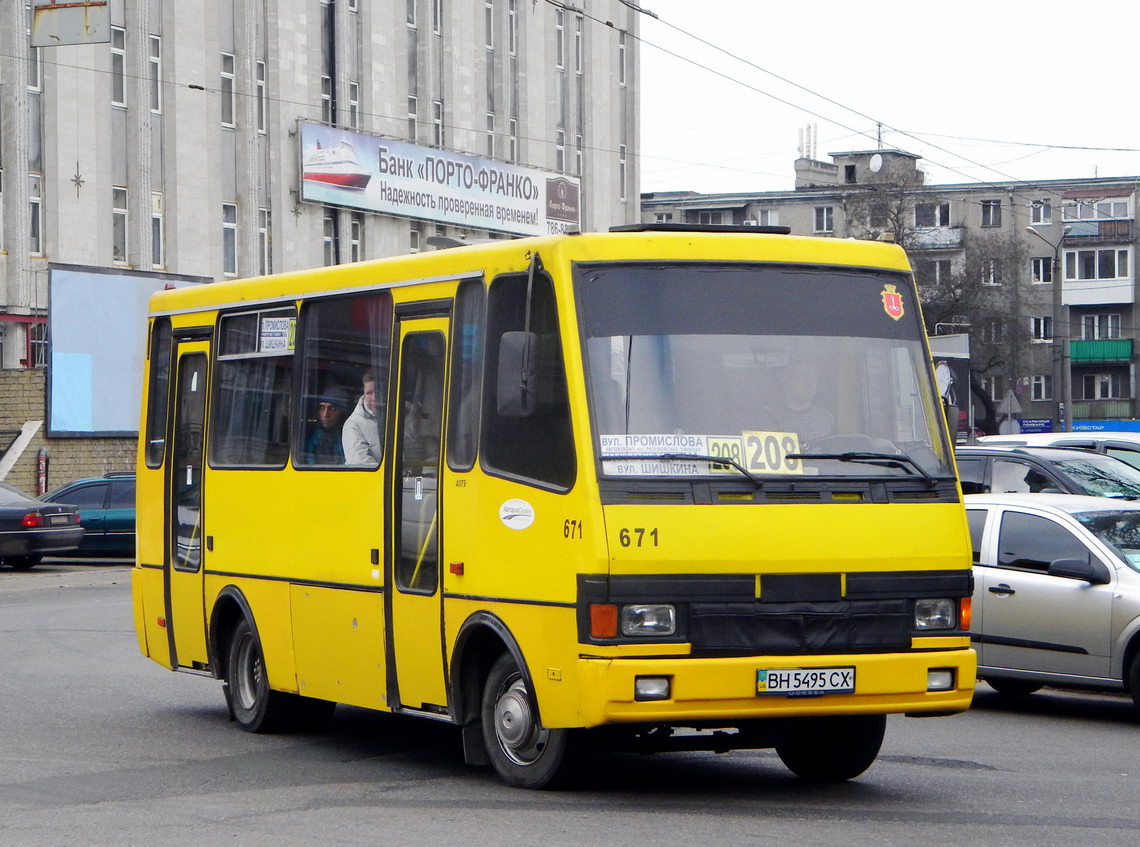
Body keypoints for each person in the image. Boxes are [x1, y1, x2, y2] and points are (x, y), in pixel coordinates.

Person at [770, 360, 835, 447]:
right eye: (804, 378)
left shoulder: (827, 418)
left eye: (814, 378)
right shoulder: (769, 417)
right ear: (788, 381)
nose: (811, 384)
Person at [342, 369, 383, 465]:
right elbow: (360, 463)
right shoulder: (352, 424)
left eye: (378, 392)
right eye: (369, 393)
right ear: (363, 395)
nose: (374, 398)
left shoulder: (398, 415)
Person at [302, 387, 348, 464]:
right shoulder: (312, 435)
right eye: (322, 408)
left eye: (332, 408)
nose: (325, 415)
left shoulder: (348, 434)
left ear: (342, 412)